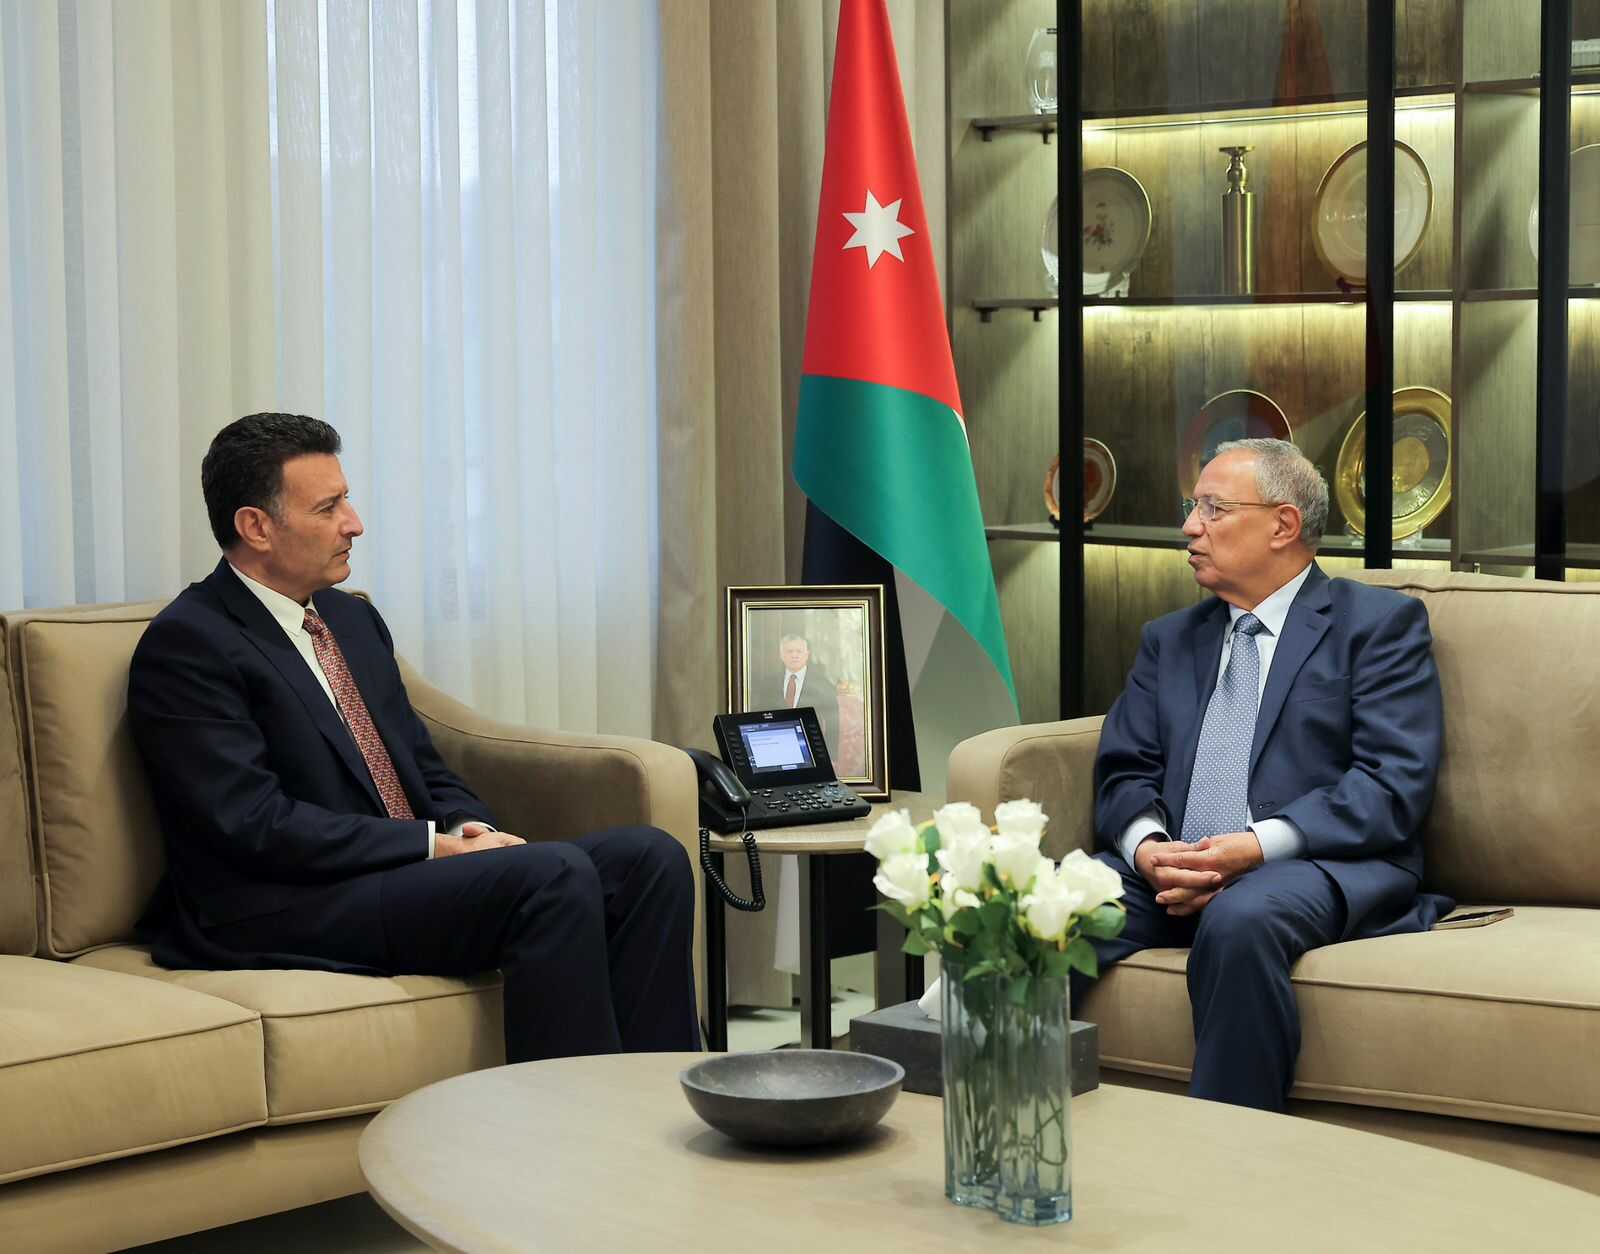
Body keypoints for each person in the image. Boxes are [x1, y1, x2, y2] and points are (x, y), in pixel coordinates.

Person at [127, 413, 699, 1063]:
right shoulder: (191, 645)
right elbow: (254, 824)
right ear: (257, 526)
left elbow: (422, 765)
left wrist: (467, 827)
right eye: (328, 508)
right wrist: (431, 845)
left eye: (346, 499)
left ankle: (658, 1101)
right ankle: (567, 1118)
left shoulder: (350, 619)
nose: (354, 523)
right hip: (282, 901)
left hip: (393, 876)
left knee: (649, 859)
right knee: (551, 875)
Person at [1078, 437, 1450, 1112]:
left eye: (1213, 509)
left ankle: (1232, 1152)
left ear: (1283, 525)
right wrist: (1148, 850)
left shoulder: (1377, 626)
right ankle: (994, 1122)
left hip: (1318, 862)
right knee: (1043, 901)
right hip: (1172, 868)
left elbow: (1391, 784)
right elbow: (1125, 768)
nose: (1190, 528)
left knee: (1241, 917)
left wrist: (1252, 848)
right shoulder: (1170, 638)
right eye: (1192, 509)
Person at [757, 632, 840, 756]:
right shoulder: (768, 684)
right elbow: (759, 717)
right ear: (781, 655)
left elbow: (833, 723)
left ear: (807, 655)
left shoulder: (823, 685)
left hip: (811, 750)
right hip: (774, 748)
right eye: (789, 651)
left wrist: (831, 755)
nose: (794, 655)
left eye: (799, 651)